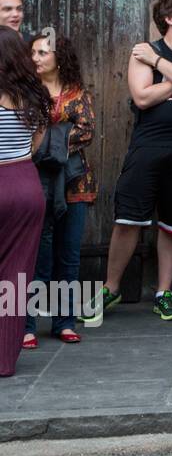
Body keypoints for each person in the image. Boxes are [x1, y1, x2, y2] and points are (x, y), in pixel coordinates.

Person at [83, 0, 172, 324]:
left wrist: (161, 68)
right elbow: (141, 98)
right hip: (147, 147)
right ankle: (111, 287)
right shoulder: (143, 50)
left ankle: (164, 293)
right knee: (128, 218)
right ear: (169, 18)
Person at [24, 34, 97, 347]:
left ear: (59, 57)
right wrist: (63, 132)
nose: (37, 58)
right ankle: (26, 324)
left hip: (73, 183)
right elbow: (24, 131)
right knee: (35, 256)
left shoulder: (77, 92)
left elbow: (87, 131)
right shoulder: (26, 92)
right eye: (33, 53)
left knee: (68, 257)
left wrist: (47, 139)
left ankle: (64, 322)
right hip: (35, 183)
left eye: (43, 52)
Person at [0, 28, 50, 378]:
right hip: (26, 184)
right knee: (15, 278)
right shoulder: (36, 95)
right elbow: (36, 144)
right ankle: (4, 360)